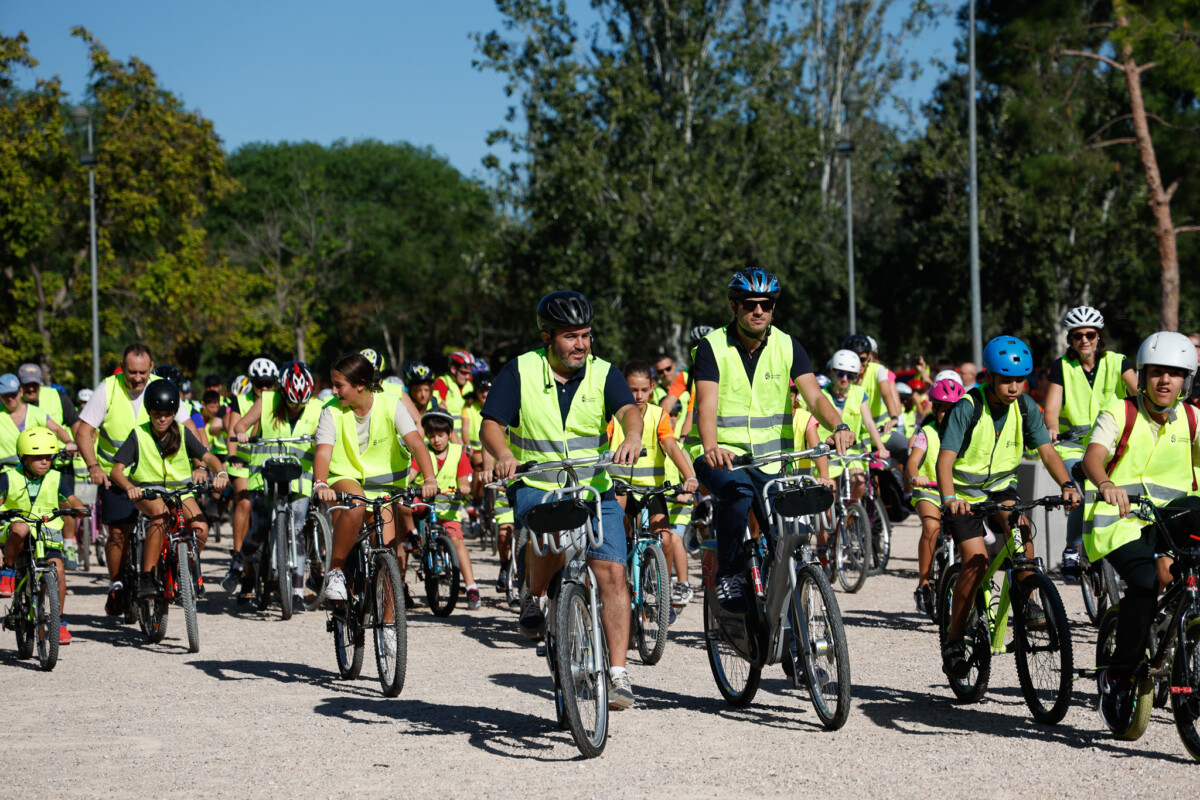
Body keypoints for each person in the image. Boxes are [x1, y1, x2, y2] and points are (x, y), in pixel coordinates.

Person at [481, 290, 644, 710]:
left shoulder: (603, 372)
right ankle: (534, 596)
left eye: (587, 335)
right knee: (553, 541)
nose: (582, 345)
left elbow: (629, 410)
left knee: (611, 573)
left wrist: (632, 435)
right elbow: (492, 425)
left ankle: (619, 673)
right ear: (547, 337)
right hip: (538, 484)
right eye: (571, 336)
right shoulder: (520, 371)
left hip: (593, 486)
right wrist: (503, 455)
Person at [691, 269, 853, 614]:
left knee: (788, 542)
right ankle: (730, 573)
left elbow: (814, 396)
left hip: (771, 462)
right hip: (723, 456)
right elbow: (706, 404)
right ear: (734, 306)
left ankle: (796, 644)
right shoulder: (712, 347)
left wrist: (839, 425)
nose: (759, 311)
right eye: (750, 304)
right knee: (738, 494)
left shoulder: (787, 344)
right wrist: (710, 447)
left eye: (767, 304)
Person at [937, 336, 1080, 679]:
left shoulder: (1027, 407)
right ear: (990, 378)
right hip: (964, 496)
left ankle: (1028, 601)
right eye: (1006, 379)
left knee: (1022, 530)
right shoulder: (967, 408)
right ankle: (955, 640)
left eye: (1020, 379)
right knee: (976, 561)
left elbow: (1047, 451)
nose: (1014, 386)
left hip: (1001, 488)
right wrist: (948, 499)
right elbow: (944, 462)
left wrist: (1067, 484)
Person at [1079, 331, 1199, 732]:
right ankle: (1119, 675)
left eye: (1176, 374)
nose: (1166, 381)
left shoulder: (1194, 418)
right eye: (1157, 372)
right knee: (1146, 584)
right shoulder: (1120, 411)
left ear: (1188, 379)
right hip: (1119, 521)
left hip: (1173, 518)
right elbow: (1093, 456)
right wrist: (1106, 484)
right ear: (1144, 375)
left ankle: (1180, 638)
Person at [311, 353, 438, 606]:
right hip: (346, 477)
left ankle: (390, 627)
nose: (333, 391)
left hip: (384, 489)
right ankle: (336, 572)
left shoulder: (391, 405)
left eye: (339, 385)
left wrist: (429, 479)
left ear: (359, 384)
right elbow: (324, 450)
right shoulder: (330, 411)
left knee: (387, 557)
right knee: (356, 506)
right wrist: (321, 482)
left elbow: (416, 443)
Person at [108, 380, 228, 598]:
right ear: (148, 412)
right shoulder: (138, 435)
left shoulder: (183, 432)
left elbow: (208, 456)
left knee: (201, 527)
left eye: (167, 413)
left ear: (174, 413)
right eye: (156, 414)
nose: (162, 419)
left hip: (181, 492)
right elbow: (116, 470)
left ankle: (186, 567)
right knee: (161, 515)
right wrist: (128, 486)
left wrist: (220, 473)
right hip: (147, 492)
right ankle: (147, 575)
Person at [1042, 306, 1138, 578]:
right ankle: (1072, 548)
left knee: (1125, 490)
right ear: (1070, 340)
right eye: (1077, 336)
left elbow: (1139, 394)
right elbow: (1051, 409)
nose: (1084, 340)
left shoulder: (1118, 362)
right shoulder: (1062, 366)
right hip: (1072, 444)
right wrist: (1051, 426)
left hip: (1110, 442)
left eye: (1090, 334)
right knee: (1083, 488)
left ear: (1099, 336)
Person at [223, 362, 322, 609]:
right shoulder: (267, 401)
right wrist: (243, 433)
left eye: (301, 403)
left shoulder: (318, 407)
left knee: (298, 530)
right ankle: (237, 567)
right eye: (290, 402)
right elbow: (239, 425)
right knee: (259, 528)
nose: (296, 407)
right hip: (264, 476)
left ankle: (297, 592)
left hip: (300, 478)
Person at [608, 361, 699, 615]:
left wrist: (689, 475)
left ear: (652, 389)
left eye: (643, 390)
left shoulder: (659, 415)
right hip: (620, 487)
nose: (638, 396)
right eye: (632, 390)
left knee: (666, 539)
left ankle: (664, 593)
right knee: (617, 541)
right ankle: (619, 588)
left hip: (651, 489)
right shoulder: (614, 415)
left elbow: (671, 446)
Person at [0, 428, 84, 642]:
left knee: (59, 570)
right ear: (24, 457)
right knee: (21, 528)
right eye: (38, 457)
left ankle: (60, 621)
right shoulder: (8, 477)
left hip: (46, 533)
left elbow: (72, 498)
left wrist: (80, 507)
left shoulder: (56, 477)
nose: (45, 462)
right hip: (17, 532)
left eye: (48, 456)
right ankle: (8, 572)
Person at [905, 377, 964, 616]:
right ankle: (924, 583)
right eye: (943, 410)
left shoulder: (966, 430)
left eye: (953, 410)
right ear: (935, 408)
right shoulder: (926, 433)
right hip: (929, 490)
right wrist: (915, 476)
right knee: (931, 526)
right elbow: (912, 462)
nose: (948, 415)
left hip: (958, 492)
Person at [413, 407, 481, 610]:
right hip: (425, 505)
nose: (436, 440)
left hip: (449, 508)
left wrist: (464, 487)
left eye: (441, 435)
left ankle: (471, 587)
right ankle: (411, 542)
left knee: (458, 542)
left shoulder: (458, 453)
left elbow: (463, 477)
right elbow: (412, 473)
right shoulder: (422, 450)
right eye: (432, 435)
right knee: (406, 521)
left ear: (450, 434)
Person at [222, 358, 277, 602]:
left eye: (269, 384)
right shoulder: (241, 400)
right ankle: (240, 558)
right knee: (244, 502)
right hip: (244, 463)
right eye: (259, 384)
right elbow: (233, 429)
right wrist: (232, 455)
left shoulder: (277, 400)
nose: (264, 389)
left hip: (267, 462)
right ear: (252, 383)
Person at [816, 350, 890, 503]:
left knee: (860, 482)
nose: (845, 379)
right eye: (840, 374)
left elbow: (869, 422)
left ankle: (852, 516)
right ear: (832, 372)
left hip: (852, 451)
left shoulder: (858, 393)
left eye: (850, 376)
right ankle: (831, 523)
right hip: (827, 453)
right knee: (830, 493)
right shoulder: (820, 395)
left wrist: (881, 447)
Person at [0, 373, 74, 465]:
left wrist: (69, 442)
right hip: (5, 473)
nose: (9, 398)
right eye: (4, 395)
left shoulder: (36, 412)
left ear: (21, 392)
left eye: (13, 394)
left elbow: (57, 430)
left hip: (33, 472)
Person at [17, 362, 79, 431]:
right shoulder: (11, 400)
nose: (31, 389)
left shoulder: (57, 396)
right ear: (19, 382)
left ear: (41, 381)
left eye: (34, 384)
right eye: (27, 384)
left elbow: (75, 422)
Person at [433, 351, 474, 440]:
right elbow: (442, 414)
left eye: (469, 373)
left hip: (469, 442)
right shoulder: (442, 383)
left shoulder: (470, 385)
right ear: (453, 369)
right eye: (463, 373)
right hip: (451, 439)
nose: (467, 377)